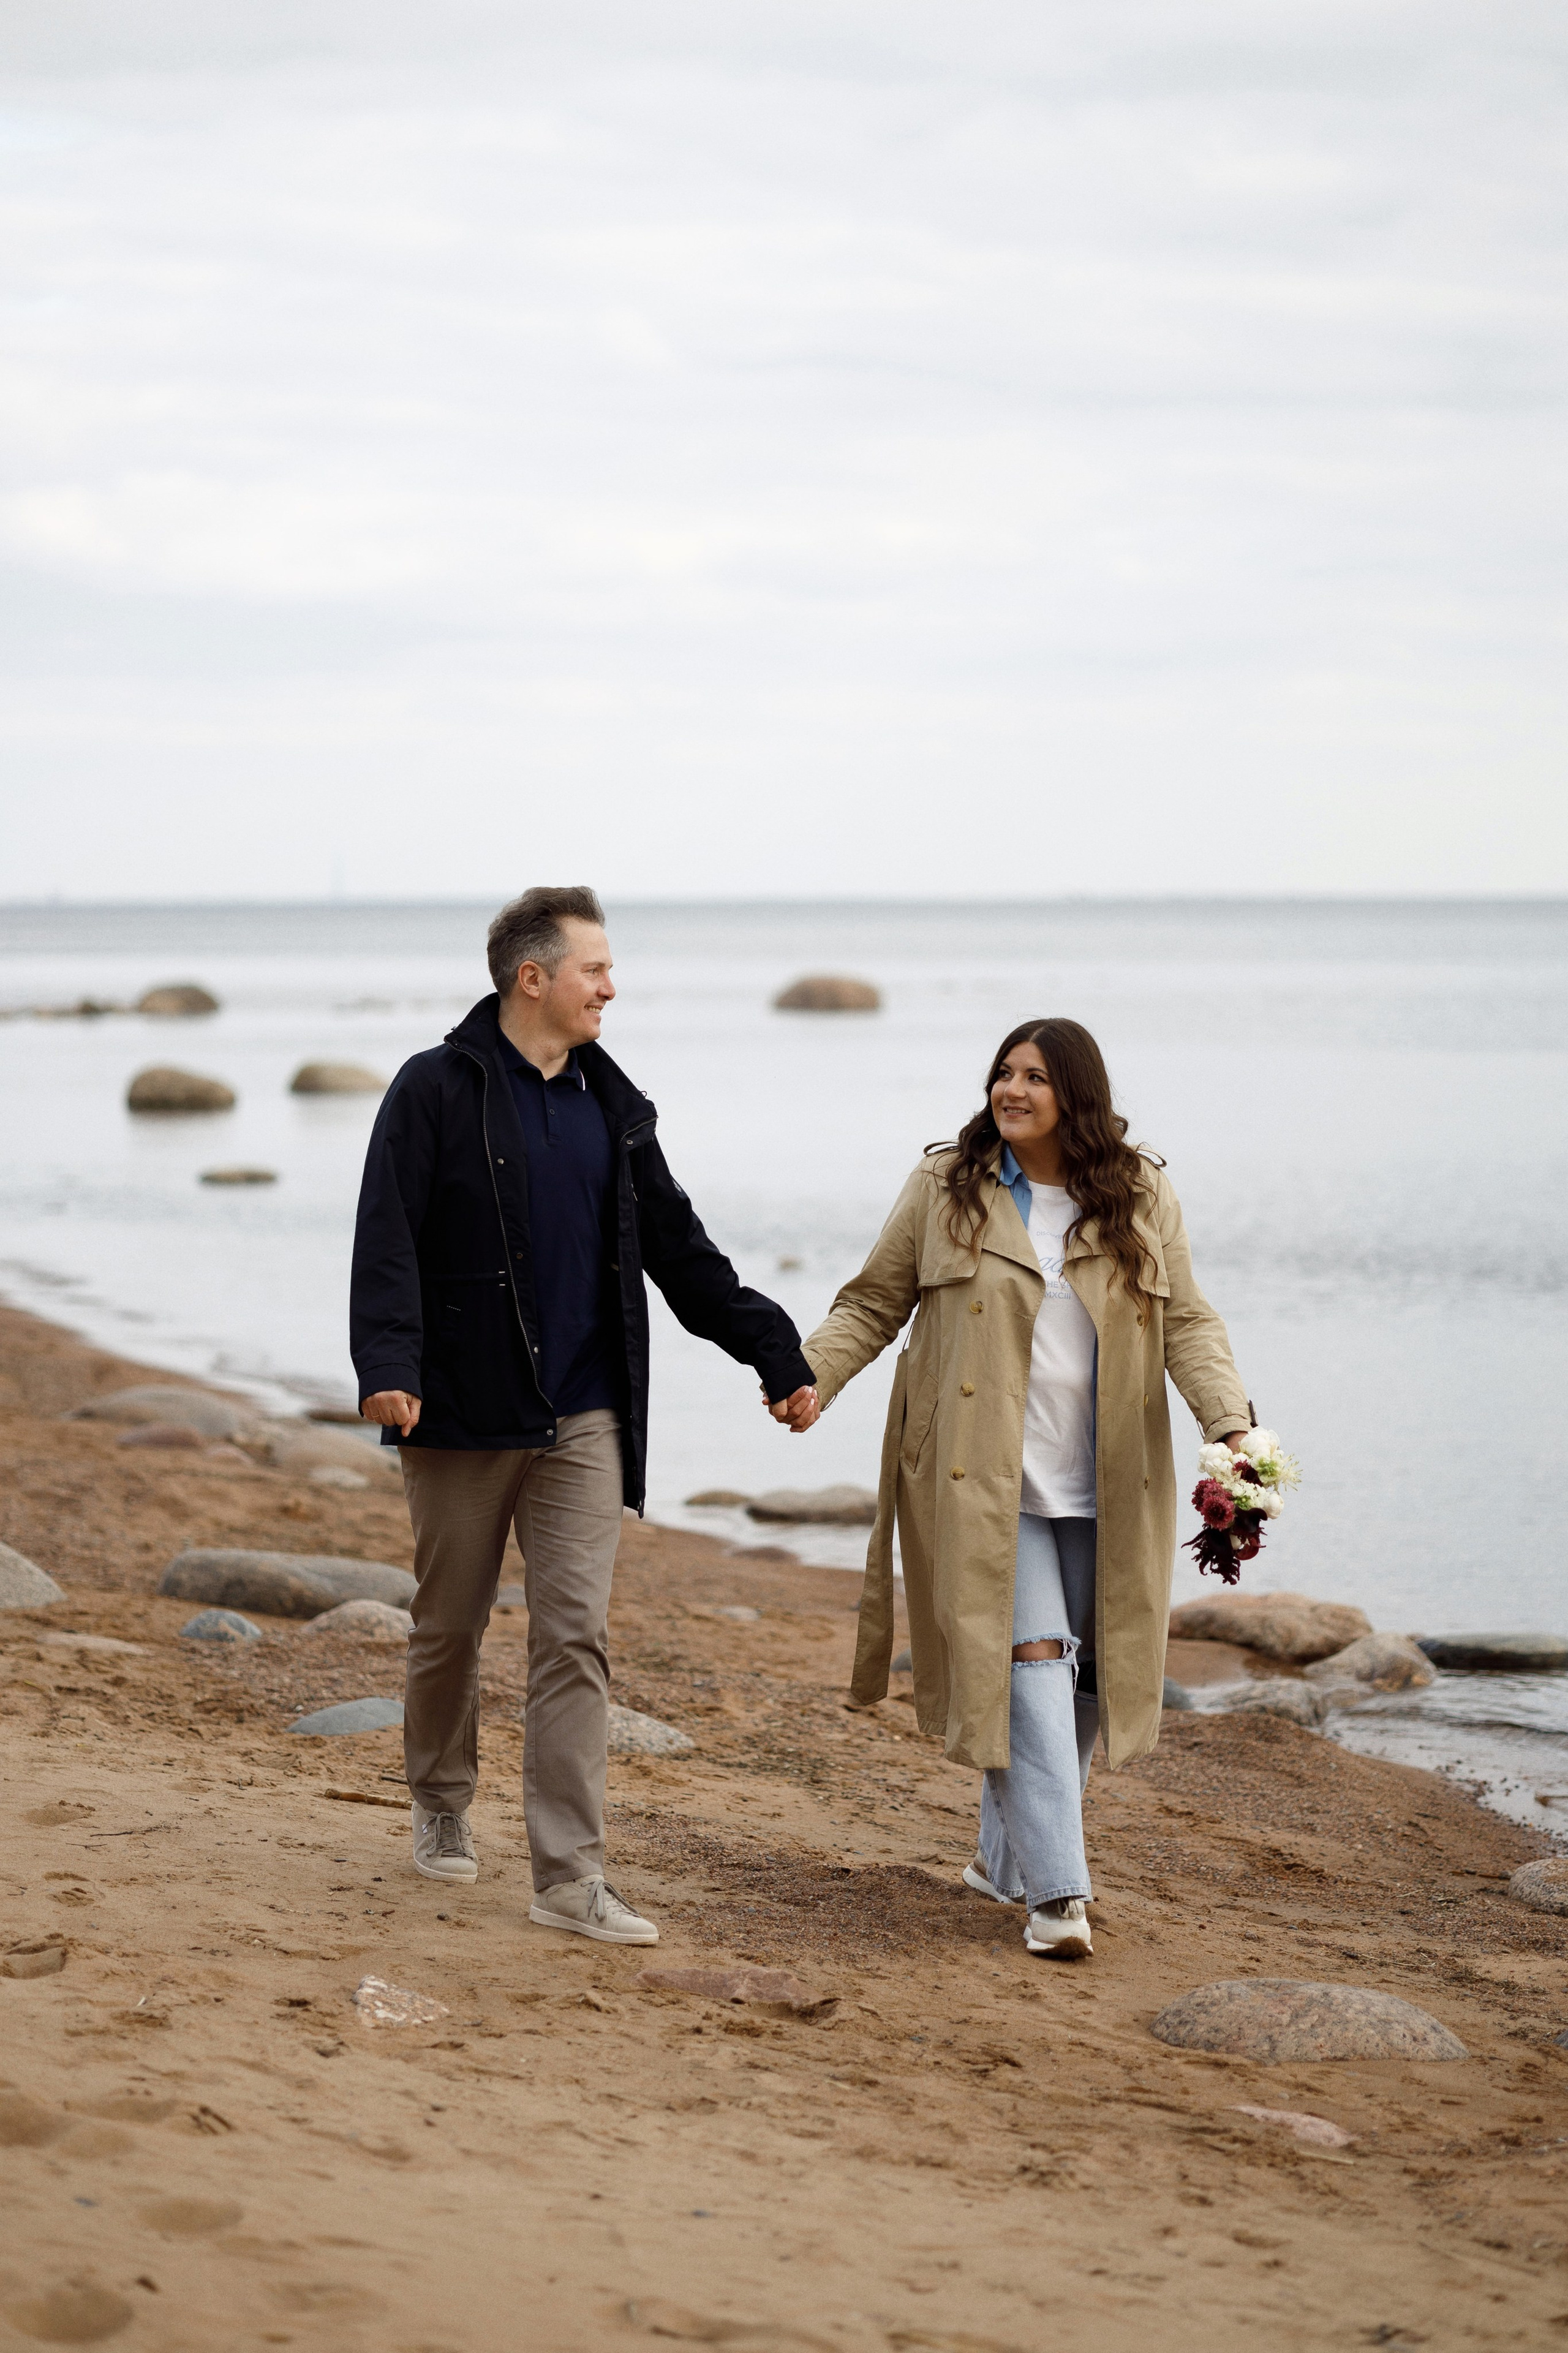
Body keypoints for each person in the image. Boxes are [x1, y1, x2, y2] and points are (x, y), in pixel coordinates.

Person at [350, 885, 818, 1944]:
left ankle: (568, 1878)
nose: (612, 985)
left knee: (576, 1639)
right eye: (595, 969)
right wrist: (388, 1362)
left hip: (588, 1416)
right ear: (533, 978)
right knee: (448, 1627)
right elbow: (387, 1232)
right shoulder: (435, 1088)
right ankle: (440, 1798)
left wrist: (771, 1346)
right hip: (463, 1410)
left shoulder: (615, 1104)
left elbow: (679, 1247)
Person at [779, 1017, 1253, 1960]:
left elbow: (1189, 1321)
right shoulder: (946, 1186)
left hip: (1109, 1476)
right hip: (980, 1476)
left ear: (1076, 1092)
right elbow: (875, 1298)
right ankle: (1059, 1895)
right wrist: (812, 1376)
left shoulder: (1139, 1191)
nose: (1012, 1088)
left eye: (1035, 1075)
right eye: (1003, 1071)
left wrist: (1231, 1424)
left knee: (1085, 1678)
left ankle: (1004, 1859)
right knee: (1032, 1661)